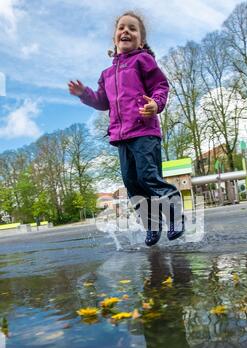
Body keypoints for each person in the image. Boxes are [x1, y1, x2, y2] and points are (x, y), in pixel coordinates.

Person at [68, 11, 184, 246]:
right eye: (121, 28)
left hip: (144, 131)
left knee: (148, 177)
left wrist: (156, 104)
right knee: (132, 184)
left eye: (132, 28)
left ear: (141, 41)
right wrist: (84, 94)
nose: (126, 31)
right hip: (121, 137)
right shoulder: (107, 74)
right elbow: (102, 101)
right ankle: (152, 226)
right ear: (114, 39)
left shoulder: (143, 61)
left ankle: (175, 217)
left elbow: (160, 85)